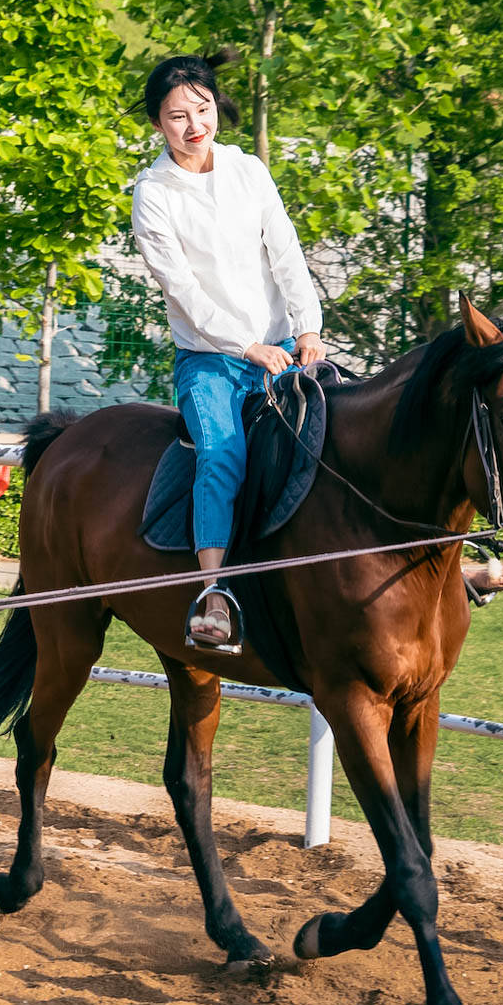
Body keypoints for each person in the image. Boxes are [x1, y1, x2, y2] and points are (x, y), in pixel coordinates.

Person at [128, 52, 324, 649]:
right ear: (158, 124)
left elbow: (285, 251)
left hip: (286, 348)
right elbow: (183, 292)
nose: (194, 126)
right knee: (221, 455)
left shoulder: (249, 171)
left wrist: (308, 325)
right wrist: (247, 346)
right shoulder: (153, 194)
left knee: (346, 431)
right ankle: (213, 596)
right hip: (211, 361)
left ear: (217, 107)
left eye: (203, 109)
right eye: (177, 116)